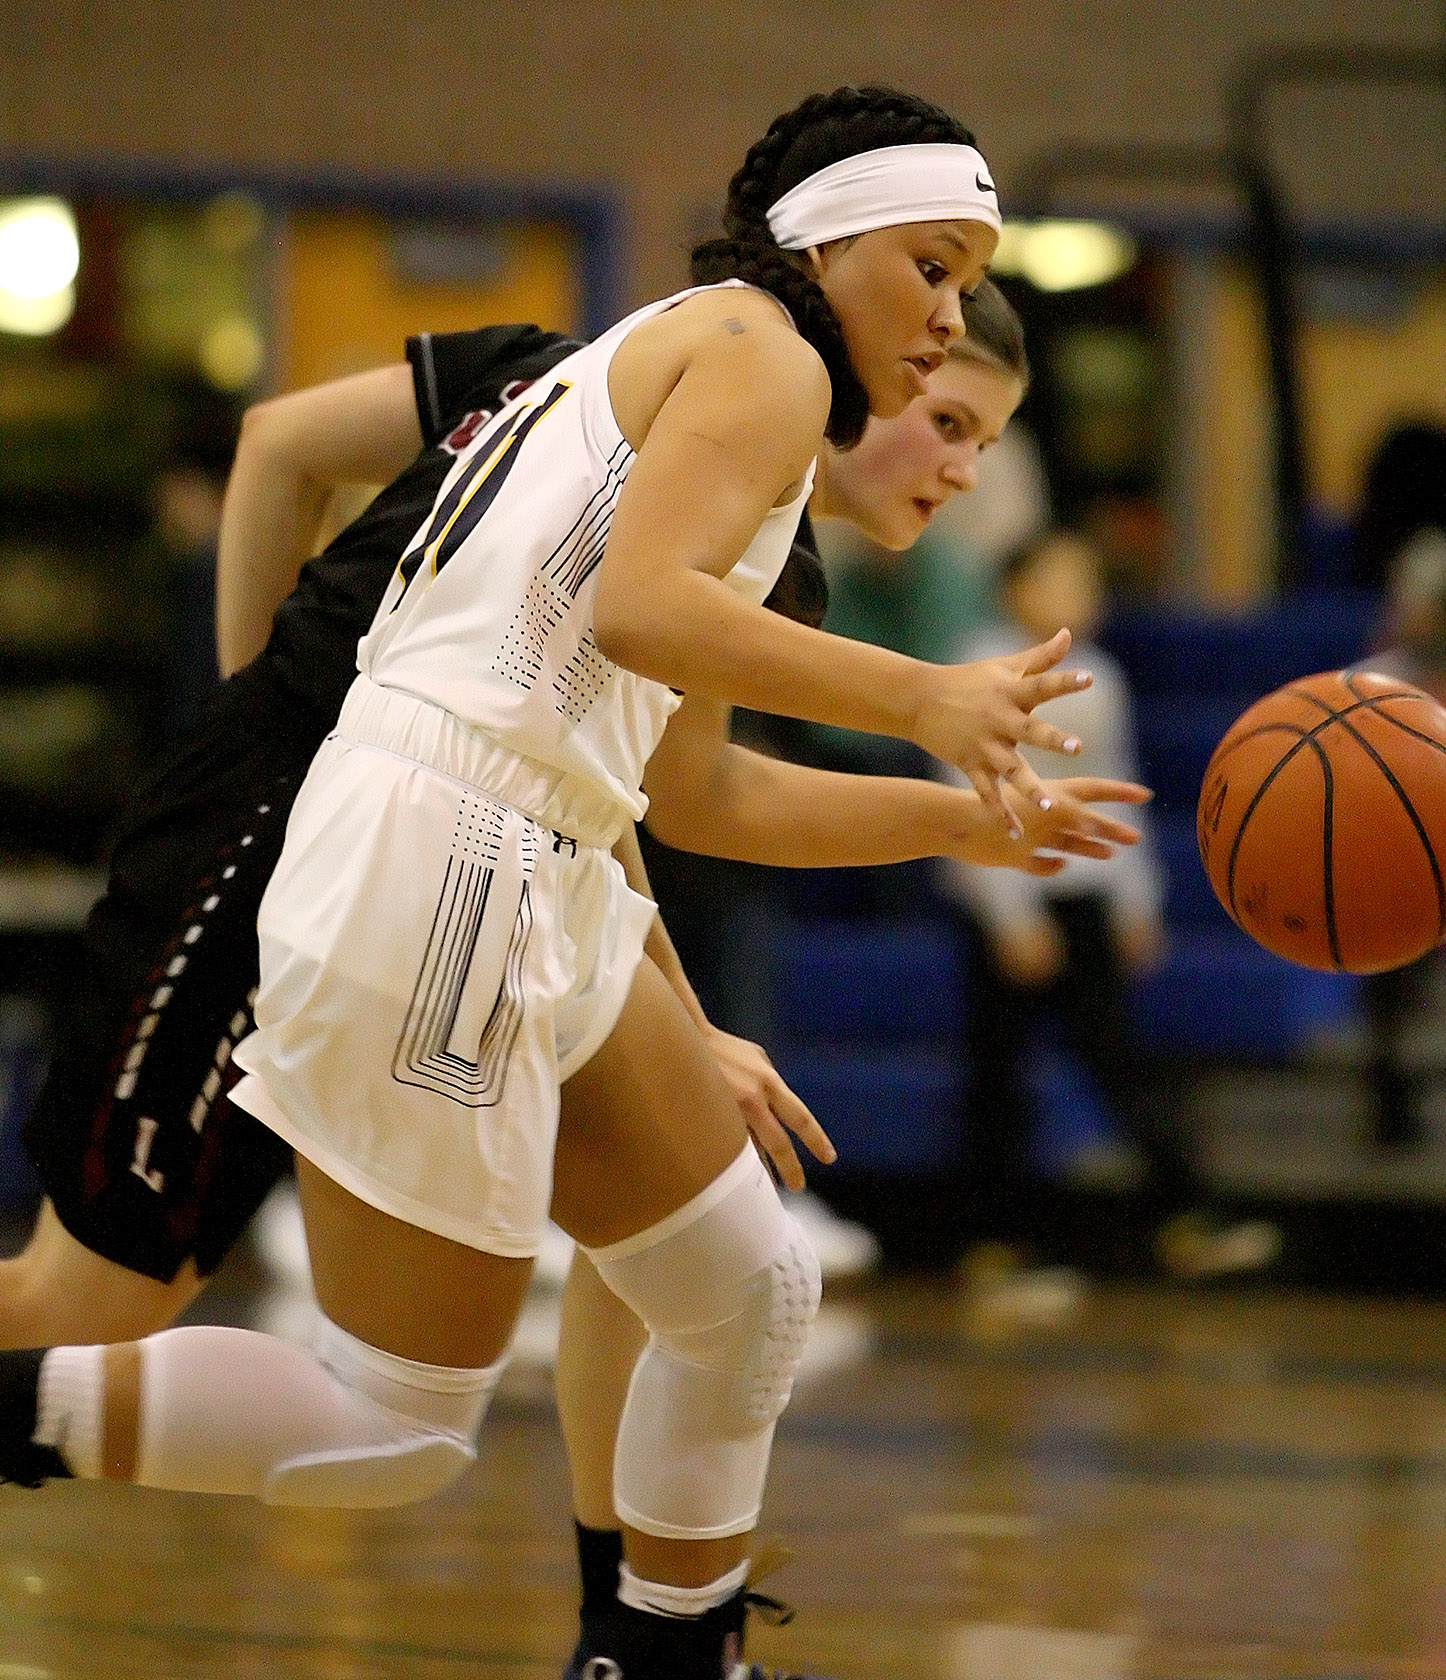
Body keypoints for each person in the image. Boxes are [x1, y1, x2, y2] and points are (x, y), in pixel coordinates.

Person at [0, 88, 1144, 1680]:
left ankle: (663, 1654)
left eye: (970, 284)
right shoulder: (764, 350)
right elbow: (636, 611)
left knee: (745, 1291)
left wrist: (951, 822)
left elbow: (692, 791)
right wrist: (919, 698)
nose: (950, 319)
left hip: (530, 850)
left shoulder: (741, 386)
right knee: (385, 1428)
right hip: (443, 845)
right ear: (825, 241)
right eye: (932, 268)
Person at [939, 528, 1279, 1306]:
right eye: (1060, 579)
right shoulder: (975, 668)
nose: (1078, 596)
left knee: (1116, 1057)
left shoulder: (1105, 677)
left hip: (1082, 896)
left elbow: (1117, 786)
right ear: (1013, 590)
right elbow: (963, 796)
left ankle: (1187, 1215)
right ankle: (996, 1249)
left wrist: (1134, 901)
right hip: (1004, 897)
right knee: (997, 1075)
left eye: (1088, 581)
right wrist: (1008, 914)